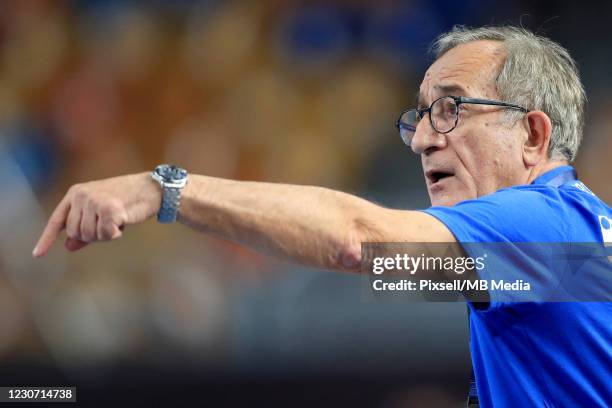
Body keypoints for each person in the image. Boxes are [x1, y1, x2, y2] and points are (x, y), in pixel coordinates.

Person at [33, 25, 611, 407]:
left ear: (533, 135)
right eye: (419, 118)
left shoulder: (543, 223)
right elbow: (381, 267)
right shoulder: (551, 257)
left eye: (451, 109)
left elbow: (356, 243)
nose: (422, 142)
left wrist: (164, 191)